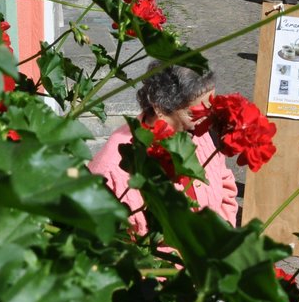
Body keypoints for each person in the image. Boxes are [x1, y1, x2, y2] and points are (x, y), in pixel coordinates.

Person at [87, 66, 239, 235]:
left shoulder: (198, 133)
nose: (206, 119)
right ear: (159, 107)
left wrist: (225, 237)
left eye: (209, 109)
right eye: (193, 114)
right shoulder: (113, 166)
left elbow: (225, 184)